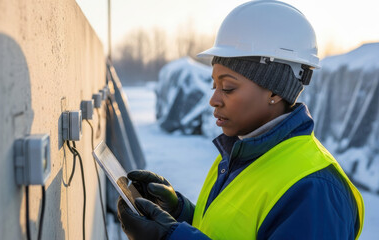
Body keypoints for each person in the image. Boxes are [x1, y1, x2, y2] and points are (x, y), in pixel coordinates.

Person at [117, 0, 365, 239]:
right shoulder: (239, 152)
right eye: (214, 85)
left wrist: (169, 238)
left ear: (274, 91)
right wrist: (179, 213)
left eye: (227, 87)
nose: (213, 99)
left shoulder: (315, 191)